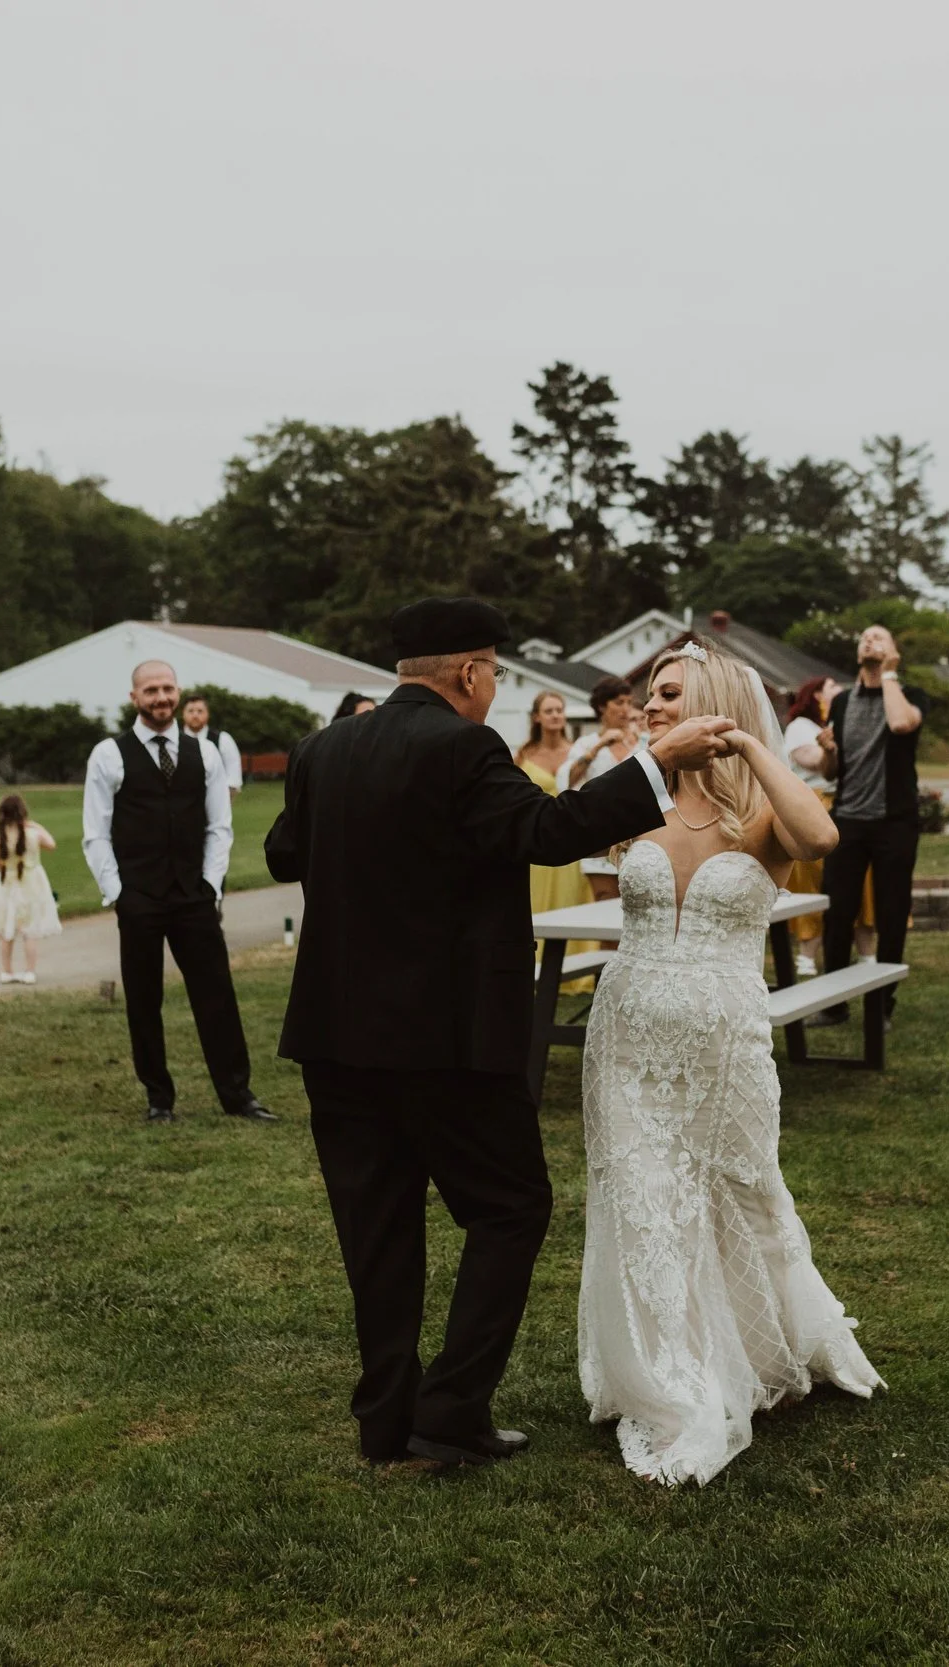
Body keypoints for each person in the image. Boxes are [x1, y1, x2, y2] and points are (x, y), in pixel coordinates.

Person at [265, 597, 737, 1469]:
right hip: (446, 1039)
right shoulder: (465, 747)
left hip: (334, 1035)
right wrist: (654, 762)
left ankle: (385, 1422)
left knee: (377, 1228)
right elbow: (548, 832)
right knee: (511, 1207)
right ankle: (448, 1411)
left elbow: (282, 854)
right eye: (497, 673)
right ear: (471, 673)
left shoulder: (321, 752)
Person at [578, 639, 879, 1485]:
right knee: (642, 1196)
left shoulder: (761, 812)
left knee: (744, 1187)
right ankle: (666, 1370)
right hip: (628, 1031)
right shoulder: (637, 798)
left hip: (725, 1042)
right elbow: (567, 830)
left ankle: (762, 1344)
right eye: (648, 694)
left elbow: (820, 834)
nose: (651, 707)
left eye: (669, 694)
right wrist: (646, 760)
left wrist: (749, 745)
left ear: (712, 700)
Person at [82, 659, 273, 1125]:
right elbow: (96, 833)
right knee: (143, 1000)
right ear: (135, 698)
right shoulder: (108, 754)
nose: (161, 697)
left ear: (179, 692)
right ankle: (158, 1099)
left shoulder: (204, 754)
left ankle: (237, 1095)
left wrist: (210, 884)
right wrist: (118, 893)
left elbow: (219, 827)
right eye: (151, 690)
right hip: (139, 897)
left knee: (217, 995)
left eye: (167, 688)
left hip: (194, 895)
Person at [816, 625, 927, 1022]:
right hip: (847, 820)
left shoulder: (910, 696)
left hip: (894, 822)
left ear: (894, 653)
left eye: (879, 638)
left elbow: (900, 725)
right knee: (838, 911)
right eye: (864, 637)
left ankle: (882, 1003)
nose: (868, 641)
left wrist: (890, 674)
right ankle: (833, 1004)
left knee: (891, 912)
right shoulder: (843, 702)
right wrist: (828, 752)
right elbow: (832, 772)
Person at [513, 690, 595, 927]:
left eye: (559, 710)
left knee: (572, 900)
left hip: (572, 835)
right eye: (549, 711)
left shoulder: (577, 753)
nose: (556, 715)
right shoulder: (522, 756)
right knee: (536, 902)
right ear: (537, 717)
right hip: (537, 837)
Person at [566, 675, 643, 900]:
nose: (626, 709)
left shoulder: (643, 743)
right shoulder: (586, 744)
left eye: (629, 703)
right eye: (619, 703)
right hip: (600, 836)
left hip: (640, 838)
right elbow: (567, 780)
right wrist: (599, 746)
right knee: (604, 905)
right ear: (602, 706)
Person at [780, 676, 837, 972]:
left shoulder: (829, 727)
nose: (840, 690)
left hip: (837, 805)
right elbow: (813, 761)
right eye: (833, 687)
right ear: (816, 695)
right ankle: (806, 954)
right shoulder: (801, 727)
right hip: (810, 804)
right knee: (810, 881)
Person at [0, 793, 62, 984]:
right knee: (29, 931)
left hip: (7, 884)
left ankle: (6, 971)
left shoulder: (1, 837)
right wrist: (36, 825)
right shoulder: (33, 834)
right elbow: (51, 844)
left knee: (8, 931)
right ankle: (30, 972)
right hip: (31, 883)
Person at [181, 692, 246, 807]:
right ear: (183, 714)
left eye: (200, 711)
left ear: (207, 714)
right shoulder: (173, 740)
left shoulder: (223, 740)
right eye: (190, 711)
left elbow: (233, 779)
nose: (195, 715)